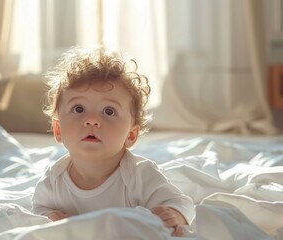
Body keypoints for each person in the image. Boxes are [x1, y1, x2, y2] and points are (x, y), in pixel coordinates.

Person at [32, 46, 194, 236]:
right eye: (78, 109)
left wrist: (176, 214)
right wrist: (48, 216)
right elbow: (38, 210)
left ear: (130, 136)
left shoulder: (139, 175)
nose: (91, 120)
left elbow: (181, 202)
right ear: (58, 130)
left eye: (108, 111)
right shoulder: (54, 180)